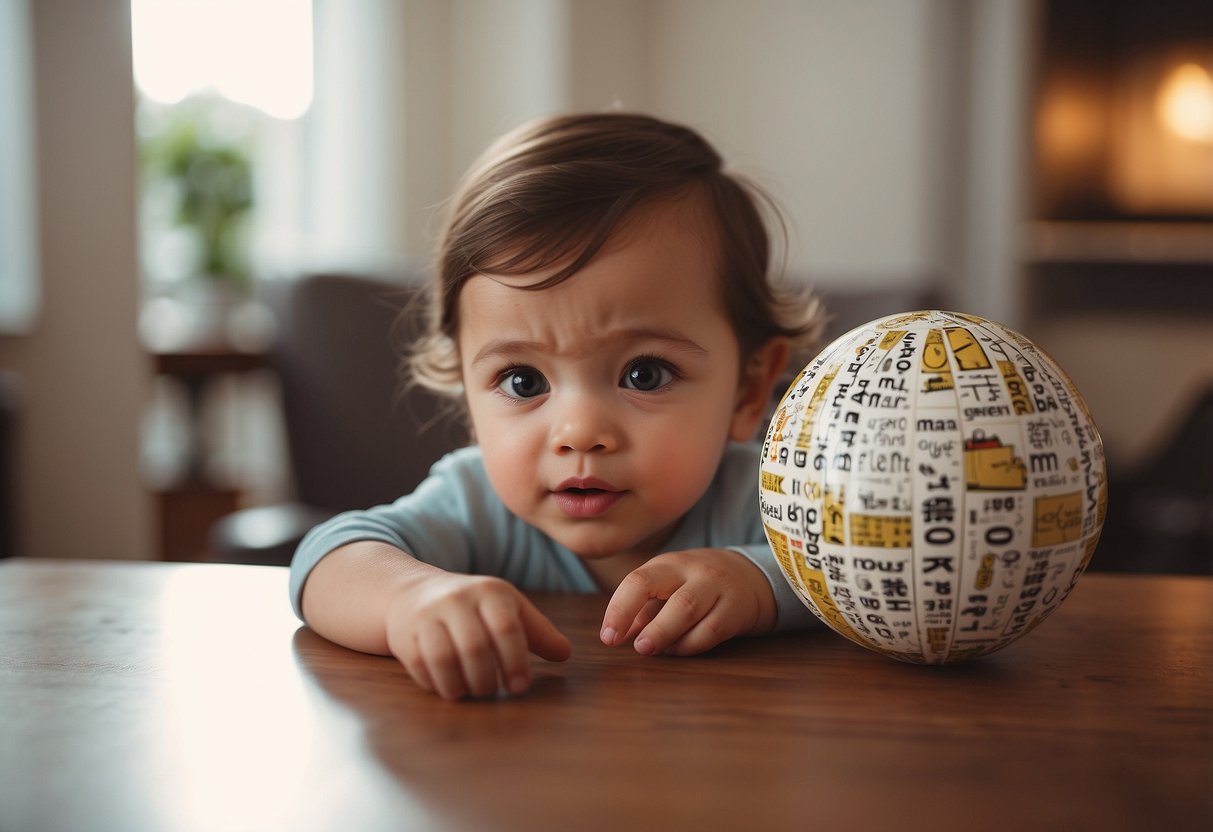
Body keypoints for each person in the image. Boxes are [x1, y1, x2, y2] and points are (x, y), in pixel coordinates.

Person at [289, 112, 824, 700]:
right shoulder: (476, 506)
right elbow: (327, 558)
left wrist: (763, 582)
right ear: (469, 396)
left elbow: (895, 577)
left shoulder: (780, 503)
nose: (580, 433)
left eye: (644, 375)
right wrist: (407, 598)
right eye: (522, 381)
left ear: (748, 392)